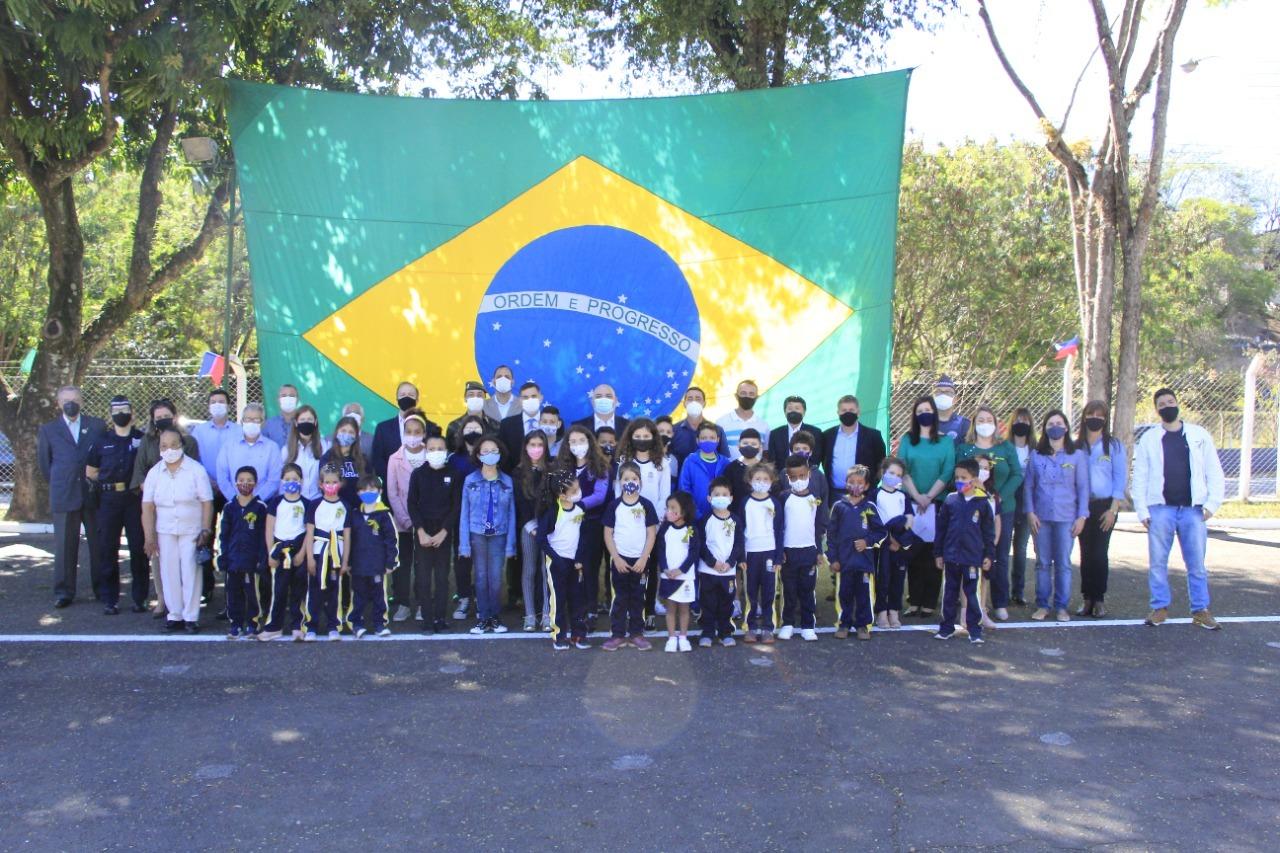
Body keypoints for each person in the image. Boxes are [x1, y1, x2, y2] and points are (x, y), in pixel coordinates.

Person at [1132, 388, 1225, 630]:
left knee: (1196, 564)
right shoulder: (1149, 439)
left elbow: (1214, 471)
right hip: (1161, 510)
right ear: (1157, 410)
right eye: (1161, 404)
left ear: (1177, 404)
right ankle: (1160, 607)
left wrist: (1212, 505)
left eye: (1170, 402)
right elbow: (1140, 476)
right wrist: (1142, 510)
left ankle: (1201, 610)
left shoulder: (1198, 435)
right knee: (1158, 563)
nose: (1166, 406)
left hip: (1193, 511)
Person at [38, 385, 106, 609]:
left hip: (92, 494)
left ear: (82, 401)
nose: (71, 403)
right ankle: (64, 591)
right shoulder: (48, 430)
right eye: (66, 400)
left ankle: (102, 588)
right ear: (59, 403)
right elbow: (45, 465)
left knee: (99, 544)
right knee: (65, 546)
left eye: (75, 399)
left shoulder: (96, 425)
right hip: (64, 494)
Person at [141, 428, 213, 633]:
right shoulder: (155, 473)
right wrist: (149, 537)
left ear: (181, 445)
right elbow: (147, 507)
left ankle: (191, 616)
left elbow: (207, 502)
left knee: (191, 570)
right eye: (164, 446)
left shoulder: (196, 470)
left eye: (173, 444)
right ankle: (175, 615)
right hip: (165, 530)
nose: (169, 449)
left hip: (192, 529)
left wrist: (205, 530)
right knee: (168, 570)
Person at [1022, 409, 1089, 622]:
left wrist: (1082, 516)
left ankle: (1061, 607)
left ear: (1067, 427)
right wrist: (1030, 513)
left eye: (1059, 423)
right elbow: (1029, 486)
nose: (1055, 427)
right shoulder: (1036, 455)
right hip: (1041, 517)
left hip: (1066, 517)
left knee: (1063, 563)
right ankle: (1043, 605)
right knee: (1042, 563)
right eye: (1050, 424)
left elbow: (1083, 488)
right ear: (1045, 428)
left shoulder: (1076, 455)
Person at [957, 406, 1023, 621]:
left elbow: (1017, 474)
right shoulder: (965, 449)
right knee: (970, 556)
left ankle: (1000, 602)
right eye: (981, 420)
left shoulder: (1006, 448)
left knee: (999, 555)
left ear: (995, 423)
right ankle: (970, 604)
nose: (985, 423)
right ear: (974, 424)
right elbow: (957, 477)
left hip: (1001, 508)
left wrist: (999, 496)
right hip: (971, 510)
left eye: (989, 419)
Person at [85, 395, 148, 614]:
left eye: (125, 408)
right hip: (109, 500)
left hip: (134, 500)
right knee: (107, 549)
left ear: (132, 412)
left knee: (138, 549)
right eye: (116, 409)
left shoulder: (142, 439)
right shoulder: (102, 440)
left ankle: (139, 598)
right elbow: (91, 471)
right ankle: (110, 599)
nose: (121, 413)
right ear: (110, 413)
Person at [899, 397, 955, 619]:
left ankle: (930, 601)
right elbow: (902, 469)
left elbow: (948, 470)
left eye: (928, 409)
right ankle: (914, 600)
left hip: (937, 502)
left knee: (933, 552)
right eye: (920, 410)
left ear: (934, 413)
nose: (925, 413)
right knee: (913, 551)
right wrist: (917, 496)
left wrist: (930, 496)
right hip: (912, 502)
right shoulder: (907, 439)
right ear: (915, 414)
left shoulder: (945, 442)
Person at [616, 418, 672, 626]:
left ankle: (648, 611)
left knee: (649, 569)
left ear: (654, 438)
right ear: (630, 437)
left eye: (646, 437)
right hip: (627, 526)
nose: (642, 440)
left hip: (652, 526)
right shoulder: (624, 462)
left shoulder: (662, 464)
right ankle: (628, 611)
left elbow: (663, 496)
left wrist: (652, 524)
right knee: (627, 569)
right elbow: (617, 493)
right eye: (637, 436)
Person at [458, 435, 516, 634]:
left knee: (496, 578)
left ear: (500, 454)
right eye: (485, 451)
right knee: (481, 577)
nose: (490, 455)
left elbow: (512, 515)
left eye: (494, 451)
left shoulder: (507, 481)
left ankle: (495, 617)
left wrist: (510, 545)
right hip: (477, 535)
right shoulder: (470, 480)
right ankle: (483, 617)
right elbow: (464, 514)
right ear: (478, 455)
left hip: (499, 535)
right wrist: (463, 544)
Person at [933, 458, 995, 644]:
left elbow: (988, 532)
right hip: (951, 557)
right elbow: (941, 529)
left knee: (972, 595)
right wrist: (938, 553)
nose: (960, 481)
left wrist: (989, 555)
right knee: (949, 593)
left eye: (964, 477)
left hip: (972, 558)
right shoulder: (951, 500)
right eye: (957, 477)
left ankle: (974, 629)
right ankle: (946, 627)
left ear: (974, 479)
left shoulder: (983, 503)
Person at [1076, 400, 1128, 619]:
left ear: (1105, 419)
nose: (1095, 418)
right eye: (1091, 414)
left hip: (1105, 506)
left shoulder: (1114, 446)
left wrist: (1113, 510)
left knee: (1100, 553)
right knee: (1085, 553)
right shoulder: (1076, 445)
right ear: (1084, 417)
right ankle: (1086, 598)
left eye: (1100, 415)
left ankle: (1099, 599)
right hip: (1082, 506)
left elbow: (1120, 478)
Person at [407, 433, 461, 634]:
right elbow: (412, 504)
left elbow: (456, 506)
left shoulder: (454, 474)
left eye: (440, 448)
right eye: (431, 449)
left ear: (446, 451)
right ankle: (427, 619)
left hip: (443, 532)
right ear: (425, 450)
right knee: (422, 577)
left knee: (442, 576)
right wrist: (420, 530)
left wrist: (444, 531)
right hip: (423, 530)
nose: (436, 452)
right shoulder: (418, 474)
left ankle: (440, 618)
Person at [601, 461, 658, 650]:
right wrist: (616, 557)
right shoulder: (614, 506)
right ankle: (617, 634)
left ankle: (636, 633)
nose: (630, 482)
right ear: (619, 482)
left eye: (634, 478)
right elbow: (608, 533)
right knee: (620, 598)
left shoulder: (646, 505)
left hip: (640, 562)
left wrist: (644, 558)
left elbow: (651, 533)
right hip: (620, 560)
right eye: (626, 479)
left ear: (640, 481)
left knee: (637, 597)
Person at [192, 388, 242, 603]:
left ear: (228, 405)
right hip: (207, 491)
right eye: (214, 401)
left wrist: (228, 483)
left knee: (232, 538)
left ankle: (233, 587)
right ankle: (206, 587)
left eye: (221, 401)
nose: (217, 404)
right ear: (208, 405)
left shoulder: (238, 430)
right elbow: (194, 460)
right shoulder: (199, 432)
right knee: (205, 536)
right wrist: (209, 482)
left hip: (232, 491)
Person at [557, 425, 611, 621]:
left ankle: (591, 610)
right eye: (573, 442)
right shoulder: (562, 467)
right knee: (569, 567)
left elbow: (600, 496)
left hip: (591, 525)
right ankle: (572, 609)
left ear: (590, 442)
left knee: (589, 568)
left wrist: (577, 504)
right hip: (567, 527)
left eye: (582, 441)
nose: (577, 445)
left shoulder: (601, 467)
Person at [828, 465, 885, 641]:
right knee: (844, 594)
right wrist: (833, 558)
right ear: (846, 483)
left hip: (864, 562)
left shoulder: (869, 506)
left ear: (866, 486)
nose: (855, 486)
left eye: (860, 483)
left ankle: (863, 625)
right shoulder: (838, 506)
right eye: (851, 482)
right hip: (844, 562)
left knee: (863, 596)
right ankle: (844, 623)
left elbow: (880, 532)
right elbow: (831, 535)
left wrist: (866, 541)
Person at [777, 453, 827, 642]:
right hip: (788, 552)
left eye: (802, 476)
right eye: (794, 477)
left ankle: (808, 625)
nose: (799, 480)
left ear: (809, 475)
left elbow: (817, 527)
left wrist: (819, 551)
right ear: (788, 478)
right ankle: (788, 624)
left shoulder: (814, 499)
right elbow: (779, 526)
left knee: (807, 590)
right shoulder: (784, 498)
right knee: (789, 590)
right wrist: (779, 551)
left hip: (808, 551)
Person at [385, 411, 430, 622]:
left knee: (423, 564)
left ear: (423, 434)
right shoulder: (394, 459)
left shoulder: (430, 456)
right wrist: (405, 519)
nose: (412, 436)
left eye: (417, 432)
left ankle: (422, 603)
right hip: (402, 522)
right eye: (408, 432)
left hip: (426, 522)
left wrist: (421, 521)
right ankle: (403, 603)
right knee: (402, 564)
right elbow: (392, 492)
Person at [258, 463, 311, 642]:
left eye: (295, 479)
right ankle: (274, 626)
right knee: (278, 589)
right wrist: (270, 552)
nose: (291, 483)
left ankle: (299, 625)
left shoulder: (306, 503)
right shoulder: (276, 502)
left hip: (298, 548)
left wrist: (303, 553)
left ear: (302, 481)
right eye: (287, 479)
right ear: (281, 481)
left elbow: (308, 531)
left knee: (299, 588)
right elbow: (269, 528)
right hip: (279, 549)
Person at [538, 469, 589, 650]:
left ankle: (579, 635)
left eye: (578, 489)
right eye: (574, 491)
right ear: (562, 495)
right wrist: (556, 559)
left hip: (576, 563)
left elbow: (583, 536)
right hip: (557, 563)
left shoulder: (580, 510)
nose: (578, 494)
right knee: (558, 600)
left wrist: (579, 558)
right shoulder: (553, 512)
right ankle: (559, 635)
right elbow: (541, 539)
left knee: (578, 599)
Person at [218, 466, 269, 639]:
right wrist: (223, 556)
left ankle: (253, 623)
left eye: (249, 480)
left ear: (256, 483)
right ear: (235, 482)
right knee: (233, 594)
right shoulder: (229, 507)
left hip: (251, 561)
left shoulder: (261, 507)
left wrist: (262, 559)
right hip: (233, 560)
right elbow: (223, 535)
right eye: (241, 480)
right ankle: (235, 624)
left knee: (253, 594)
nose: (245, 484)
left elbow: (264, 536)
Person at [303, 466, 352, 640]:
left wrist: (345, 561)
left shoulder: (345, 505)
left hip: (336, 555)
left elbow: (346, 535)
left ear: (341, 483)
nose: (331, 485)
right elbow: (310, 533)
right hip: (318, 552)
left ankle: (333, 625)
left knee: (334, 590)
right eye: (327, 482)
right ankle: (311, 626)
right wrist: (309, 557)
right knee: (315, 590)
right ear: (320, 484)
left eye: (334, 482)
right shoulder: (314, 505)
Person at [348, 474, 398, 639]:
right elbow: (349, 540)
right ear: (358, 493)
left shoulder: (384, 515)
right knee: (359, 596)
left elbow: (392, 540)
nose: (367, 492)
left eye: (372, 489)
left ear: (379, 491)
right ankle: (357, 623)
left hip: (377, 565)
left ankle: (379, 624)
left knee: (379, 596)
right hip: (358, 566)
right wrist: (347, 562)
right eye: (363, 490)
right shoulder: (354, 515)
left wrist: (391, 562)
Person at [698, 477, 744, 648]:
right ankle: (707, 632)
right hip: (709, 571)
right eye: (716, 494)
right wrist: (712, 563)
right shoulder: (705, 520)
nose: (721, 497)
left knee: (726, 602)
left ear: (731, 498)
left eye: (724, 494)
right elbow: (701, 545)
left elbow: (739, 544)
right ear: (709, 498)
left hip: (728, 571)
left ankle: (726, 632)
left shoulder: (736, 520)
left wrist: (731, 562)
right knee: (708, 602)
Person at [741, 462, 784, 644]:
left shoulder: (774, 502)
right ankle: (750, 627)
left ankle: (768, 627)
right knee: (750, 592)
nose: (761, 482)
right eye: (757, 478)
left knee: (768, 593)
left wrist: (778, 555)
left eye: (765, 479)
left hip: (769, 553)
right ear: (750, 481)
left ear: (772, 481)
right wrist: (741, 556)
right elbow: (740, 530)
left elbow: (780, 529)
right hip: (750, 554)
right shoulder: (745, 502)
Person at [512, 431, 550, 631]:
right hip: (528, 529)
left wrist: (545, 526)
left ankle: (546, 614)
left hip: (548, 529)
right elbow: (520, 502)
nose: (536, 448)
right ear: (526, 447)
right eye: (532, 444)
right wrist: (531, 526)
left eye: (540, 444)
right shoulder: (518, 472)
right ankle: (529, 615)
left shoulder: (552, 470)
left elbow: (553, 501)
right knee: (529, 570)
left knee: (546, 571)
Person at [871, 457, 915, 630]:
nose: (894, 477)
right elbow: (874, 519)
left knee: (898, 578)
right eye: (891, 473)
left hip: (900, 543)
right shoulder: (875, 494)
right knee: (883, 577)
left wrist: (900, 536)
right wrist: (889, 538)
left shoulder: (902, 496)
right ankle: (881, 611)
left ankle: (894, 610)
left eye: (898, 475)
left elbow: (909, 518)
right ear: (883, 472)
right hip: (883, 543)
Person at [449, 416, 486, 621]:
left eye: (477, 428)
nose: (473, 431)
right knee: (462, 559)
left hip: (484, 517)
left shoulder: (489, 455)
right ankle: (464, 597)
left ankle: (481, 599)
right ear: (462, 433)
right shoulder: (454, 459)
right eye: (469, 428)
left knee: (482, 560)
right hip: (460, 516)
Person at [657, 491, 700, 652]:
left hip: (685, 576)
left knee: (684, 609)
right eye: (668, 507)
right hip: (668, 576)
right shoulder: (665, 529)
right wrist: (666, 568)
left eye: (673, 508)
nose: (669, 511)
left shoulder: (691, 529)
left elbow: (694, 553)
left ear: (684, 510)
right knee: (670, 608)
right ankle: (671, 638)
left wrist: (681, 570)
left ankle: (683, 637)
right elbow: (660, 549)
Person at [372, 382, 440, 483]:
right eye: (402, 395)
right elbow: (378, 460)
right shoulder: (383, 428)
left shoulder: (431, 428)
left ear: (417, 400)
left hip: (423, 488)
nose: (406, 398)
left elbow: (436, 456)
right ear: (397, 400)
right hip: (392, 489)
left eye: (411, 395)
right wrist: (393, 478)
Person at [820, 395, 887, 495]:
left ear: (858, 412)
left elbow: (881, 463)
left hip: (864, 494)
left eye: (851, 410)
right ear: (838, 413)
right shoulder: (827, 435)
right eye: (844, 410)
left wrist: (870, 485)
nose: (848, 413)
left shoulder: (873, 436)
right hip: (834, 493)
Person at [215, 403, 281, 503]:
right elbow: (222, 477)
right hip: (234, 503)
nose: (252, 423)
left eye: (256, 420)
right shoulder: (228, 446)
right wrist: (236, 500)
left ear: (263, 423)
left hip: (262, 504)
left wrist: (255, 501)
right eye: (248, 419)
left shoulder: (272, 448)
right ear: (242, 422)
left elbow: (273, 480)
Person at [1006, 408, 1036, 606]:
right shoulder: (1005, 446)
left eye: (1025, 420)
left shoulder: (1035, 447)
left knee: (1021, 547)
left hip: (1027, 500)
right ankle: (1001, 590)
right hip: (1009, 497)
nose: (1021, 423)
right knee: (1003, 547)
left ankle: (1018, 591)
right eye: (1018, 420)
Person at [677, 422, 731, 519]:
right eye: (704, 438)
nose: (708, 441)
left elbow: (730, 489)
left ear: (718, 440)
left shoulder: (725, 463)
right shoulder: (690, 461)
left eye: (712, 438)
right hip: (696, 516)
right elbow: (684, 489)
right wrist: (695, 512)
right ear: (697, 440)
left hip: (721, 515)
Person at [319, 416, 369, 509]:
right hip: (334, 510)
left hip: (358, 511)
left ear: (356, 436)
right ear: (337, 432)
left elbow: (368, 485)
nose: (347, 435)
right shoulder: (327, 458)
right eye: (343, 431)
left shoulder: (363, 459)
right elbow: (324, 486)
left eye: (351, 432)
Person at [670, 386, 727, 464]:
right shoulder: (673, 430)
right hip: (682, 476)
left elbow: (724, 459)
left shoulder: (717, 430)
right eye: (690, 399)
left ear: (704, 403)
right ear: (684, 403)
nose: (694, 402)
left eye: (698, 399)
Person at [498, 381, 546, 474]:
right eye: (525, 397)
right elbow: (503, 455)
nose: (530, 400)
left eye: (533, 396)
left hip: (547, 479)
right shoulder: (507, 425)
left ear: (541, 398)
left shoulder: (550, 422)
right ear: (520, 400)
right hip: (516, 479)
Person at [282, 404, 325, 500]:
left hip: (318, 500)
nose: (306, 423)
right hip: (295, 502)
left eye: (310, 420)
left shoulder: (325, 446)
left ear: (315, 422)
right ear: (296, 423)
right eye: (302, 420)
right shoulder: (286, 450)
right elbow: (282, 481)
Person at [719, 379, 769, 461]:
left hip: (755, 472)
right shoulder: (721, 423)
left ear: (757, 397)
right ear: (736, 396)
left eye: (751, 394)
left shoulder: (764, 425)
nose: (747, 397)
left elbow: (766, 451)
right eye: (743, 393)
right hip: (729, 472)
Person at [768, 395, 824, 467]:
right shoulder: (775, 434)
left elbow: (816, 458)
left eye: (797, 408)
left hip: (808, 476)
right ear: (785, 412)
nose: (793, 411)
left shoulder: (815, 432)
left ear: (804, 412)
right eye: (790, 408)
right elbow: (772, 460)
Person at [446, 381, 498, 449]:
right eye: (471, 395)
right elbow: (450, 454)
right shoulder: (454, 426)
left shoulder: (496, 426)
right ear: (465, 399)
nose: (475, 398)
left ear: (484, 399)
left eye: (479, 395)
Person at [725, 428, 765, 510]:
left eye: (753, 444)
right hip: (737, 513)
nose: (749, 446)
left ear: (760, 447)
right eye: (745, 443)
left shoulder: (766, 467)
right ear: (738, 445)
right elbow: (726, 492)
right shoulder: (731, 468)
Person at [933, 375, 970, 442]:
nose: (943, 395)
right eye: (938, 391)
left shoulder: (964, 424)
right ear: (933, 398)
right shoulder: (924, 423)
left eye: (948, 392)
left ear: (955, 399)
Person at [262, 383, 301, 448]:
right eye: (283, 395)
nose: (288, 398)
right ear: (278, 399)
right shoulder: (268, 425)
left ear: (297, 399)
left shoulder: (304, 423)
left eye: (292, 395)